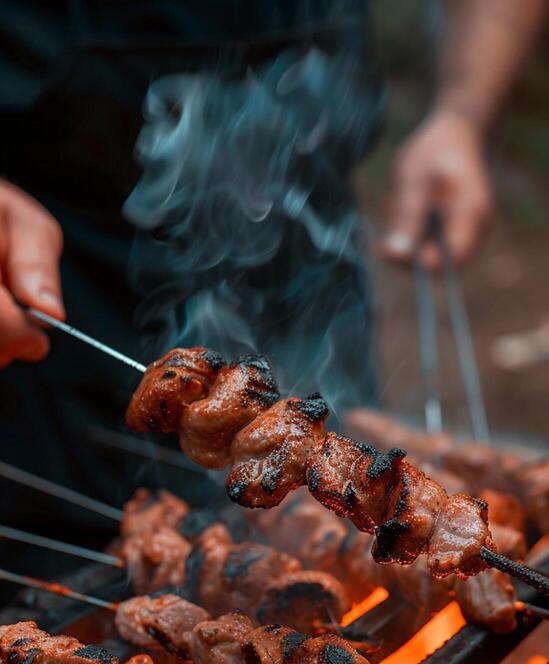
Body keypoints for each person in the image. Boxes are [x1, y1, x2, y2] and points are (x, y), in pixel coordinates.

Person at [0, 0, 546, 580]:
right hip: (59, 257)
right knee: (62, 567)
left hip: (309, 248)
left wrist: (459, 116)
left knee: (343, 468)